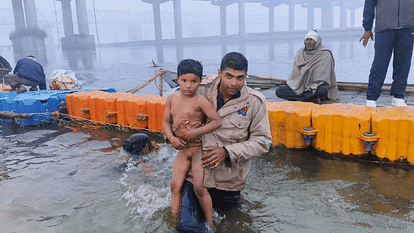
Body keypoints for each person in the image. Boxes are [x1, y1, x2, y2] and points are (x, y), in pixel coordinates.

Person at [176, 52, 272, 231]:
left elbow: (263, 141)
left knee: (231, 227)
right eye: (229, 76)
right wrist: (174, 136)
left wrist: (228, 152)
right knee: (187, 228)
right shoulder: (201, 89)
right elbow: (175, 111)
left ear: (246, 77)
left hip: (229, 182)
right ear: (219, 73)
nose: (234, 83)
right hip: (196, 177)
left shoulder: (255, 102)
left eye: (240, 77)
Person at [163, 59, 222, 229]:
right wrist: (172, 138)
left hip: (198, 149)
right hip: (182, 149)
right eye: (184, 81)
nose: (188, 86)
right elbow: (166, 122)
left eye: (193, 81)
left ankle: (210, 224)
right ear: (177, 79)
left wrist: (195, 132)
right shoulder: (172, 99)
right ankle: (175, 220)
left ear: (200, 81)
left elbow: (216, 121)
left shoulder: (200, 101)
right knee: (175, 185)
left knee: (198, 187)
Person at [360, 0, 414, 107]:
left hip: (408, 28)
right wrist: (367, 28)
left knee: (403, 64)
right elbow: (369, 4)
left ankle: (398, 96)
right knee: (380, 64)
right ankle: (371, 98)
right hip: (384, 29)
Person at [275, 30, 339, 102]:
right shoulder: (300, 53)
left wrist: (312, 84)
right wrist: (300, 84)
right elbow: (295, 74)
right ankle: (306, 98)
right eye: (307, 40)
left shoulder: (325, 54)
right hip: (300, 85)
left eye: (311, 40)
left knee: (323, 90)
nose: (308, 42)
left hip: (316, 86)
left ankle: (301, 97)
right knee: (279, 91)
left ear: (317, 41)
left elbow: (324, 77)